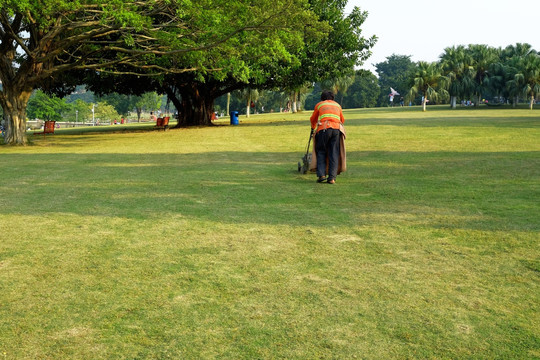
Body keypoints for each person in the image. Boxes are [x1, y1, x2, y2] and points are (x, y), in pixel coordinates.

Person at [309, 90, 346, 184]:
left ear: (322, 98)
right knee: (333, 153)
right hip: (336, 130)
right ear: (332, 98)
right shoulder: (338, 105)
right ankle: (332, 178)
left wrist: (313, 128)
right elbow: (342, 119)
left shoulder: (320, 105)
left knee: (321, 151)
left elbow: (313, 119)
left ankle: (321, 175)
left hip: (324, 129)